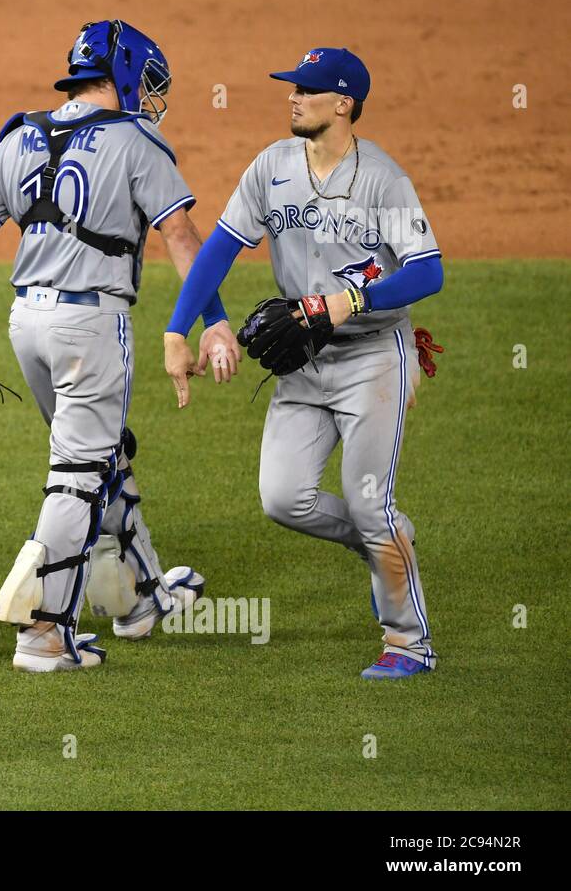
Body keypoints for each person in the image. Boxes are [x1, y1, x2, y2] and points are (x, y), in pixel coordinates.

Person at [0, 20, 236, 673]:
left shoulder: (21, 134)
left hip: (26, 326)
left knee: (104, 456)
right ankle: (44, 633)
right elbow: (182, 234)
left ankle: (136, 600)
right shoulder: (137, 139)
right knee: (76, 477)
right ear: (125, 73)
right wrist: (212, 320)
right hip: (91, 328)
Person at [163, 47, 443, 679]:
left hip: (374, 357)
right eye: (292, 87)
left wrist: (355, 299)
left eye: (307, 90)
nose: (292, 97)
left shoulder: (382, 178)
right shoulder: (273, 167)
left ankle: (408, 643)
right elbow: (219, 249)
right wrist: (180, 329)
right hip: (304, 361)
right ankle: (385, 543)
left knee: (369, 502)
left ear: (343, 103)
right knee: (284, 498)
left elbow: (429, 271)